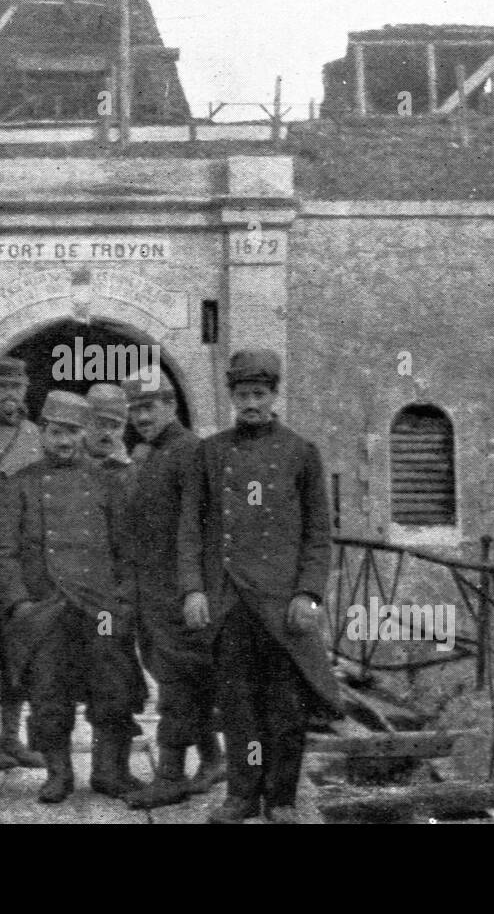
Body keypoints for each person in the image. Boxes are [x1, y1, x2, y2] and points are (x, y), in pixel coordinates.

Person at [177, 350, 343, 824]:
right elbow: (191, 527)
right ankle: (243, 795)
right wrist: (193, 589)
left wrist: (308, 593)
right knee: (238, 708)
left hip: (282, 603)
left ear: (274, 396)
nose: (250, 403)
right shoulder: (210, 454)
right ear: (231, 396)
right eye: (242, 395)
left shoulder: (301, 452)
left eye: (259, 394)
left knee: (286, 711)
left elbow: (318, 533)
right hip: (230, 600)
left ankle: (283, 799)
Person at [0, 390, 146, 803]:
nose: (64, 441)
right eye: (56, 432)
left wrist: (123, 603)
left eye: (73, 432)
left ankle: (109, 772)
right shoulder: (19, 484)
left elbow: (126, 552)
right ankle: (58, 774)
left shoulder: (106, 482)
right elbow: (2, 554)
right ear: (42, 432)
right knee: (48, 695)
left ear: (83, 434)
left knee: (113, 690)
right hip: (45, 608)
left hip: (101, 608)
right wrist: (20, 605)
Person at [120, 373, 226, 810]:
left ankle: (169, 776)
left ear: (172, 405)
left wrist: (192, 589)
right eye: (135, 408)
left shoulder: (189, 452)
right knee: (176, 675)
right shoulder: (150, 454)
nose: (142, 416)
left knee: (179, 683)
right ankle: (213, 758)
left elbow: (196, 528)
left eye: (151, 406)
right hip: (153, 590)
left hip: (180, 591)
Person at [0, 355, 45, 769]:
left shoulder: (36, 438)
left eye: (15, 388)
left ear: (25, 391)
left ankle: (12, 737)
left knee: (19, 653)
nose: (8, 395)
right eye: (0, 387)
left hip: (19, 565)